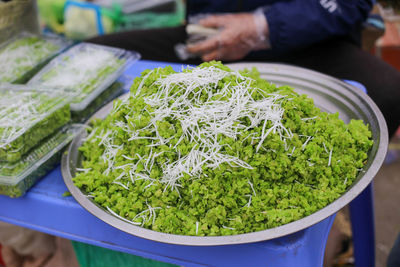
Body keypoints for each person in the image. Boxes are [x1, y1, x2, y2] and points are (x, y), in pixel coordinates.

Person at [88, 0, 400, 138]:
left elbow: (351, 4)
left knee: (385, 91)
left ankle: (333, 219)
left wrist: (260, 27)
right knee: (93, 56)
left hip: (308, 42)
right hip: (211, 35)